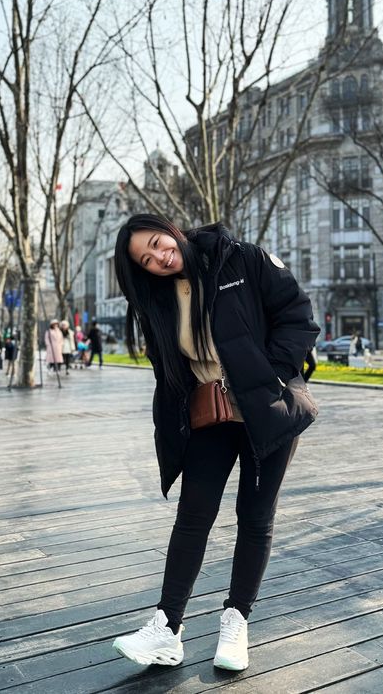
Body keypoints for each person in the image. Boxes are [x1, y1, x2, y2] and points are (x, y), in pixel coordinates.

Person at [111, 214, 319, 671]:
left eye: (159, 244)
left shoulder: (240, 258)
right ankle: (167, 628)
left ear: (171, 229)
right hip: (211, 414)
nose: (160, 259)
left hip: (268, 409)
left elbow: (298, 316)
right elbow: (170, 370)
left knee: (255, 516)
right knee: (193, 516)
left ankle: (236, 620)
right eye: (147, 260)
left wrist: (270, 375)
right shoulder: (161, 298)